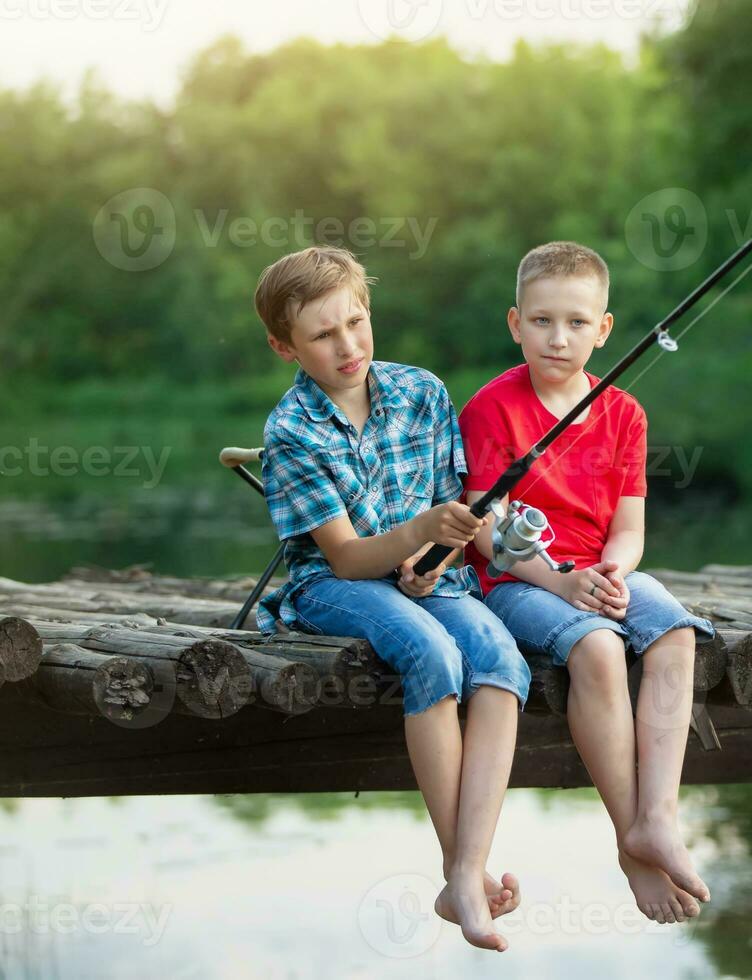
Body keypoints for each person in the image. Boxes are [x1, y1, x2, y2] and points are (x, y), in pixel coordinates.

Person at [253, 245, 528, 951]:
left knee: (500, 657)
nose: (347, 345)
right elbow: (345, 557)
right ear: (285, 346)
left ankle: (467, 869)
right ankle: (457, 866)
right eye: (322, 335)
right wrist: (417, 532)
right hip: (334, 587)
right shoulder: (291, 432)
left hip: (425, 577)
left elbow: (452, 515)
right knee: (431, 652)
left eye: (355, 322)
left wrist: (437, 556)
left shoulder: (423, 393)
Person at [459, 240, 717, 925]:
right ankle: (628, 839)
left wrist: (616, 570)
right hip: (519, 580)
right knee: (600, 650)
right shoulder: (492, 409)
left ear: (604, 330)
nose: (558, 337)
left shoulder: (623, 413)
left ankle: (659, 816)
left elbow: (629, 527)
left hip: (599, 572)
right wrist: (561, 583)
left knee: (674, 632)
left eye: (577, 322)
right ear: (515, 324)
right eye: (541, 321)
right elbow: (488, 529)